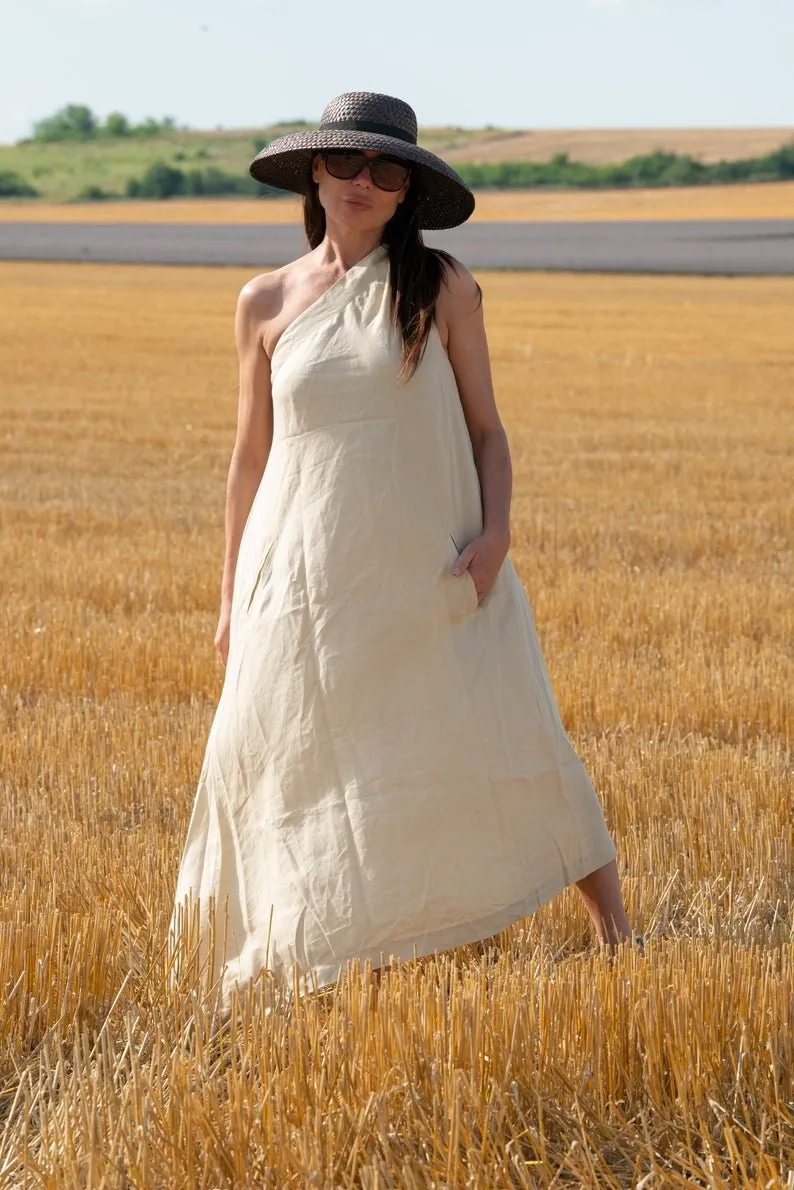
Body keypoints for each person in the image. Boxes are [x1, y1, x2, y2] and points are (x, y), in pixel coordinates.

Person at [168, 91, 638, 1013]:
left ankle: (619, 938)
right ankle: (349, 952)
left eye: (386, 170)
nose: (364, 182)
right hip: (299, 580)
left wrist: (496, 537)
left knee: (507, 731)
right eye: (347, 162)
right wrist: (230, 598)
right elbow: (248, 459)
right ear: (315, 170)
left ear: (406, 192)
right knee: (302, 759)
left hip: (427, 565)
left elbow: (489, 432)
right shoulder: (262, 301)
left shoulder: (442, 287)